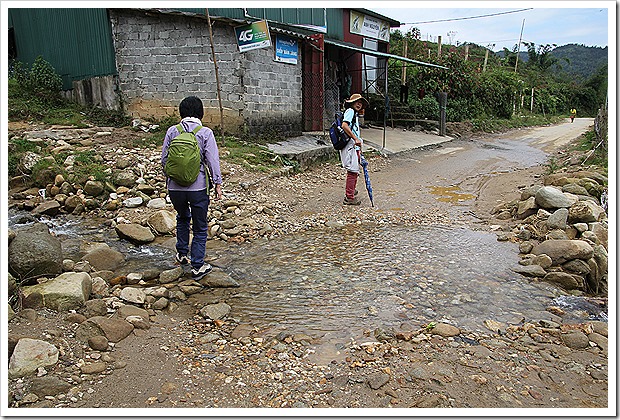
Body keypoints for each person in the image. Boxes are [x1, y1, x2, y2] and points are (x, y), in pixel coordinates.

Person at [161, 96, 223, 280]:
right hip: (198, 188)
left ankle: (181, 254)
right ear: (200, 112)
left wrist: (172, 179)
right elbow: (212, 161)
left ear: (181, 112)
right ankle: (197, 265)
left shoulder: (172, 131)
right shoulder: (205, 133)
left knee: (182, 217)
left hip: (175, 189)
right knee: (200, 227)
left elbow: (164, 160)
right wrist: (218, 183)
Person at [340, 93, 369, 205]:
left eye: (361, 103)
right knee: (353, 171)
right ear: (351, 103)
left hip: (353, 146)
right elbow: (344, 125)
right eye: (357, 102)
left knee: (354, 170)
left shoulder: (354, 114)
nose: (359, 104)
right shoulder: (350, 112)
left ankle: (351, 189)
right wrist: (355, 138)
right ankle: (349, 197)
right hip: (350, 145)